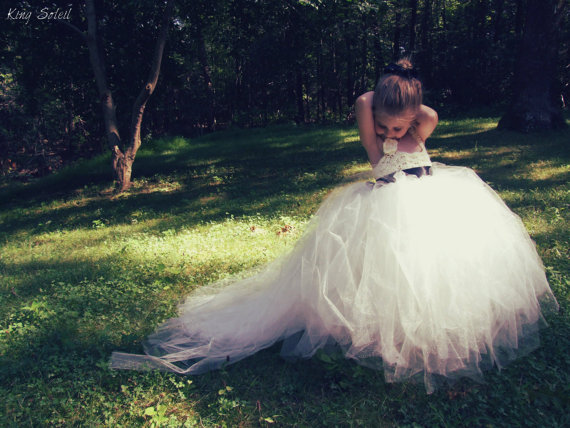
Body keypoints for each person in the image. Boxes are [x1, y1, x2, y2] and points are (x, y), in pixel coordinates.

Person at [111, 59, 558, 393]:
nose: (389, 131)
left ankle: (438, 331)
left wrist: (406, 96)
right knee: (390, 272)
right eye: (384, 123)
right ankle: (386, 333)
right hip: (387, 203)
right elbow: (365, 103)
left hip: (432, 198)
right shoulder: (372, 127)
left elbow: (427, 114)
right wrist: (386, 94)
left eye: (397, 125)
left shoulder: (419, 125)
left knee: (439, 268)